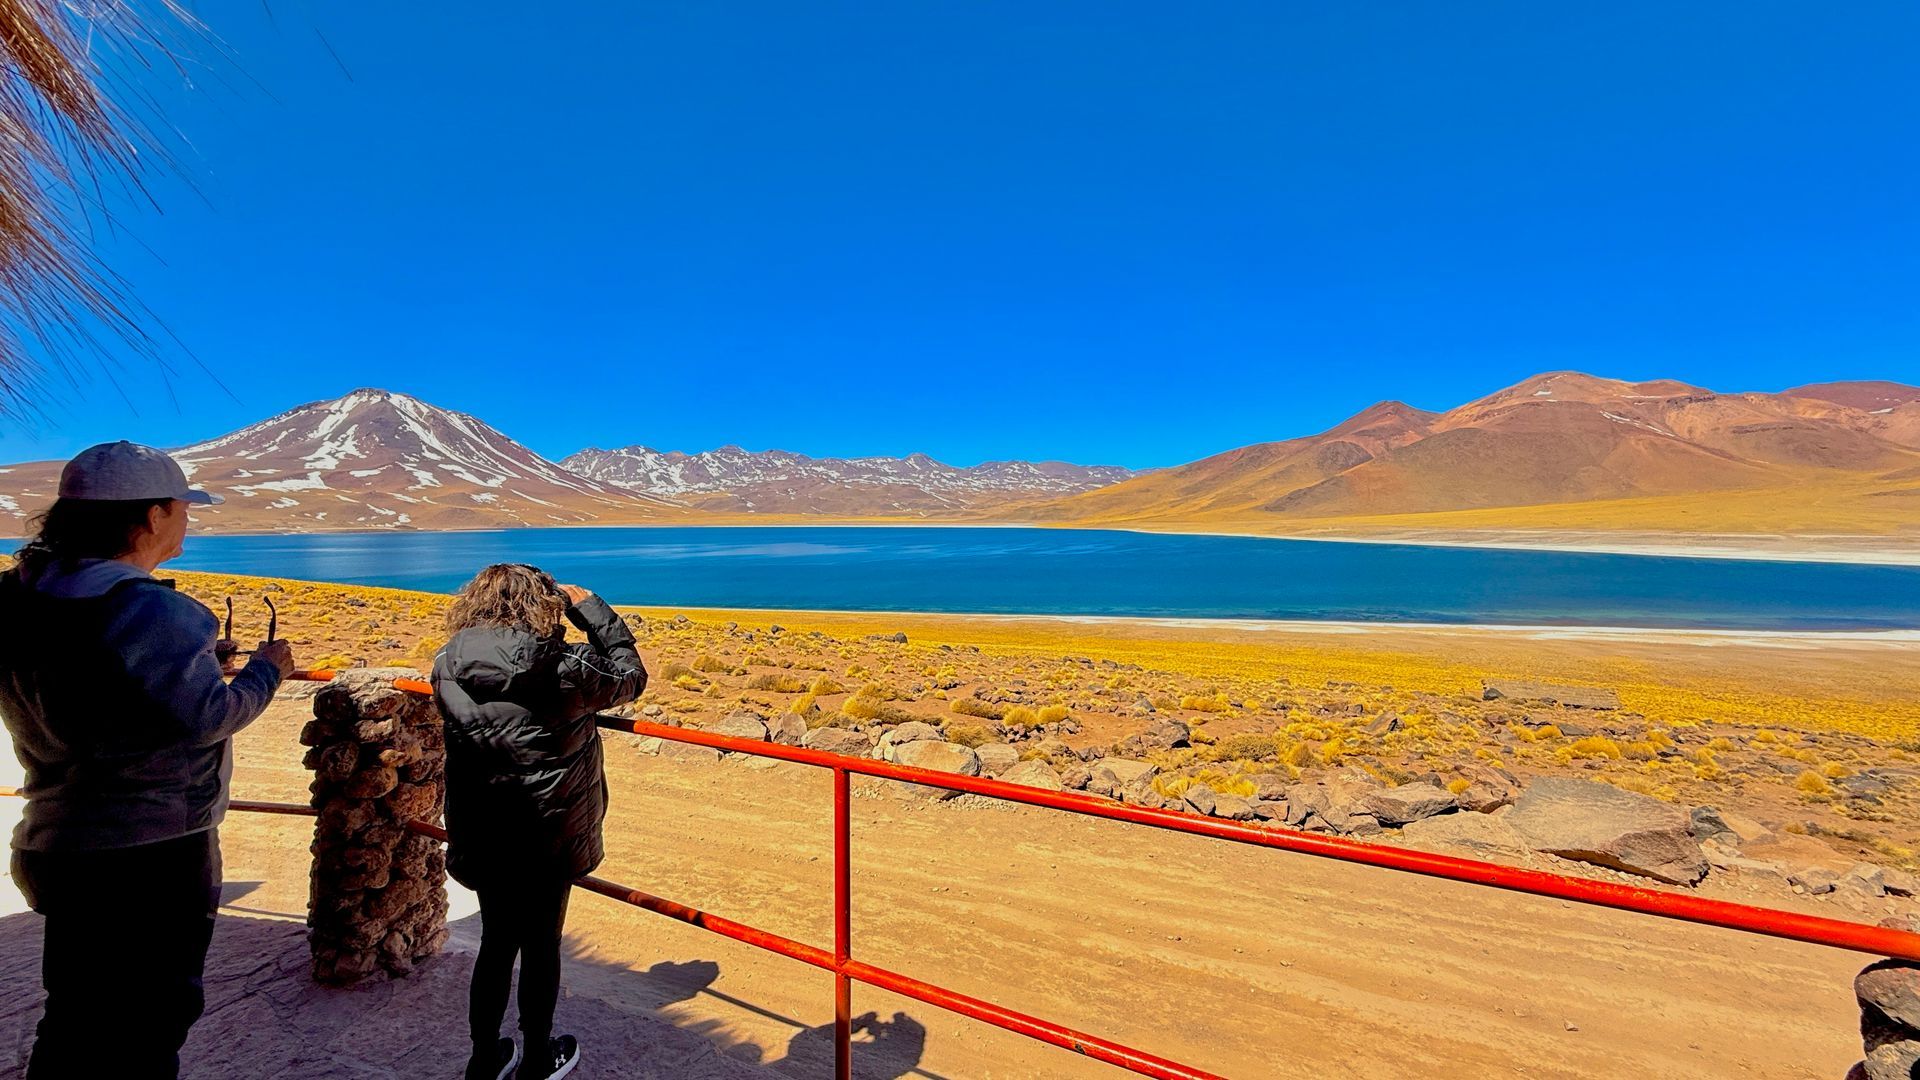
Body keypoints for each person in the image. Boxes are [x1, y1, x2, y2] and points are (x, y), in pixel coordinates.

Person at [0, 441, 296, 1079]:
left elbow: (90, 688)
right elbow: (211, 718)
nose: (188, 521)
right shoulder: (151, 610)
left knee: (76, 1012)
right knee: (149, 1021)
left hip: (55, 839)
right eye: (183, 508)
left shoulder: (18, 596)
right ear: (153, 516)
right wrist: (265, 674)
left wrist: (190, 670)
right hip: (149, 854)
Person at [432, 563, 646, 1080]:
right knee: (541, 946)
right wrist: (589, 605)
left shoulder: (446, 664)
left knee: (496, 943)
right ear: (542, 605)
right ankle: (536, 1058)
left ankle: (485, 1059)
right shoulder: (565, 668)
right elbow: (630, 676)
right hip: (548, 834)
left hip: (482, 829)